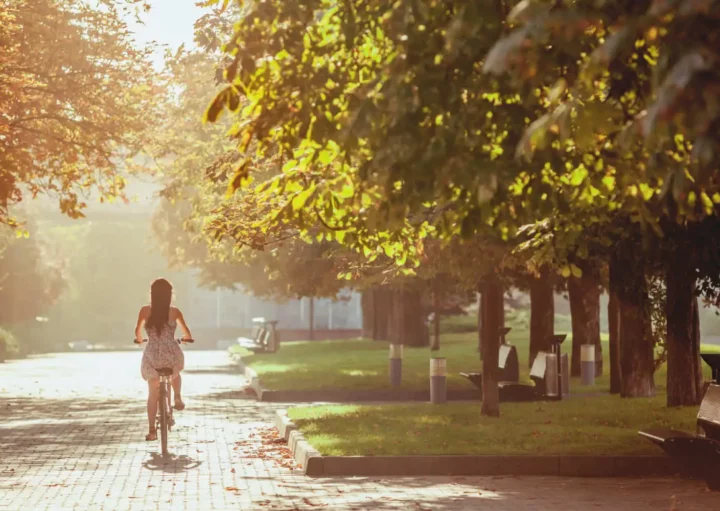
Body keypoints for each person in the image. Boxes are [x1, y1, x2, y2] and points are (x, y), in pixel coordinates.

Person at [134, 278, 193, 441]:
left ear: (152, 294)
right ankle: (177, 396)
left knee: (152, 393)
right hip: (171, 354)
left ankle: (152, 430)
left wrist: (139, 340)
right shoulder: (175, 312)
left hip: (152, 355)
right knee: (175, 372)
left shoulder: (145, 311)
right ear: (169, 294)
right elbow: (186, 332)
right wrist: (186, 338)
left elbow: (137, 332)